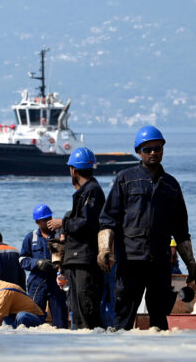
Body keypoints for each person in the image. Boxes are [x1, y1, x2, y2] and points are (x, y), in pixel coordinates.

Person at [99, 126, 196, 330]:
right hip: (130, 261)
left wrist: (191, 264)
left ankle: (157, 358)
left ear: (162, 149)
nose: (153, 152)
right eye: (148, 149)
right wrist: (104, 250)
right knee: (123, 316)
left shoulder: (171, 185)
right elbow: (108, 219)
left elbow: (181, 231)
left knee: (159, 318)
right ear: (138, 151)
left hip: (160, 262)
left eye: (158, 148)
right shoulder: (125, 179)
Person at [47, 147, 105, 329]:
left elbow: (86, 223)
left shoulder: (92, 191)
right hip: (76, 260)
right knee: (77, 311)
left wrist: (62, 223)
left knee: (86, 310)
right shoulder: (85, 192)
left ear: (73, 170)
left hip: (85, 260)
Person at [19, 204, 69, 329]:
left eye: (50, 218)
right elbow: (22, 260)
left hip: (57, 282)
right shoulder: (31, 237)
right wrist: (37, 263)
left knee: (60, 318)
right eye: (45, 219)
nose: (49, 221)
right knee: (34, 316)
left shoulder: (60, 236)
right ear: (37, 222)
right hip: (37, 282)